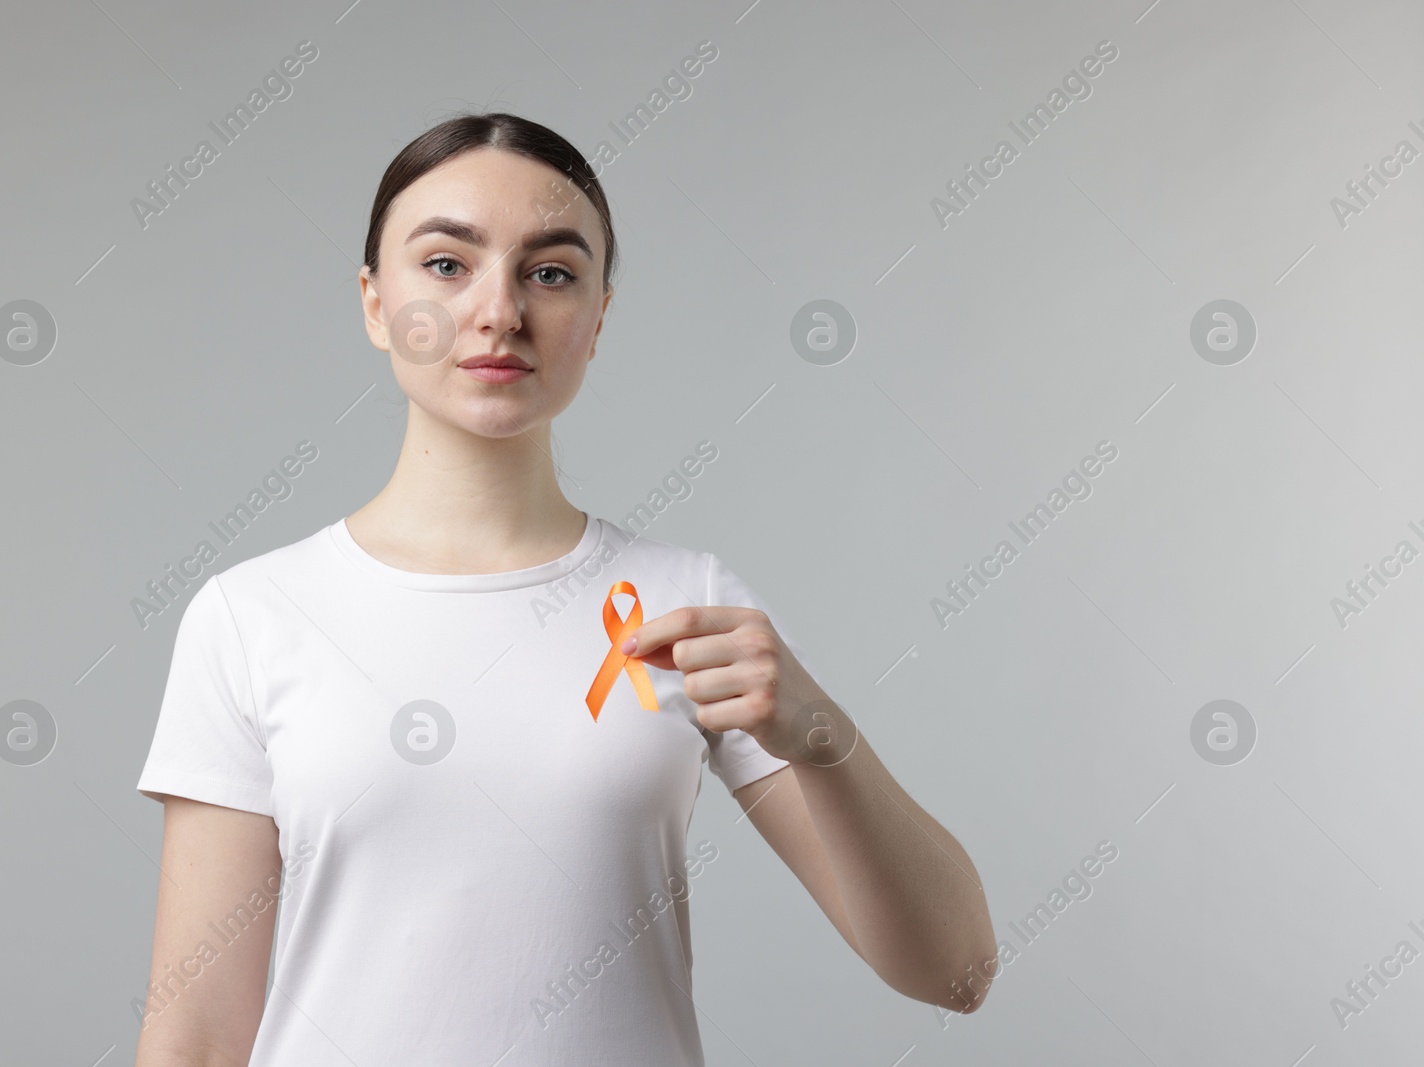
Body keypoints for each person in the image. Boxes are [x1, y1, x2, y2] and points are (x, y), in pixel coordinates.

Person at [132, 111, 994, 1067]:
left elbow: (957, 974)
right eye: (448, 265)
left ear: (598, 317)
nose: (499, 311)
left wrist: (820, 731)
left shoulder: (686, 602)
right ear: (376, 303)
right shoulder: (254, 617)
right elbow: (197, 1039)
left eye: (550, 272)